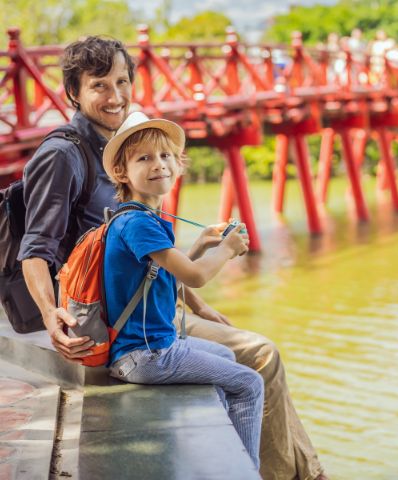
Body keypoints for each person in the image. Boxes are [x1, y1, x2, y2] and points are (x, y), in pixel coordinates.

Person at [17, 36, 328, 480]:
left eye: (122, 81)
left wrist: (198, 305)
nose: (116, 96)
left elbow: (154, 261)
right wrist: (51, 316)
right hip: (110, 319)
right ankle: (283, 474)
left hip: (143, 306)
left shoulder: (133, 152)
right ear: (74, 93)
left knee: (243, 351)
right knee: (259, 355)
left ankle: (291, 470)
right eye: (99, 85)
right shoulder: (63, 155)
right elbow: (36, 249)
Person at [101, 111, 263, 469]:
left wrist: (201, 247)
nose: (158, 165)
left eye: (165, 156)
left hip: (146, 349)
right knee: (250, 384)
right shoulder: (138, 223)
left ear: (178, 164)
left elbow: (158, 277)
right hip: (146, 355)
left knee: (227, 358)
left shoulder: (136, 216)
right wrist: (226, 249)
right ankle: (246, 470)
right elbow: (194, 278)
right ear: (122, 173)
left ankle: (226, 456)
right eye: (144, 158)